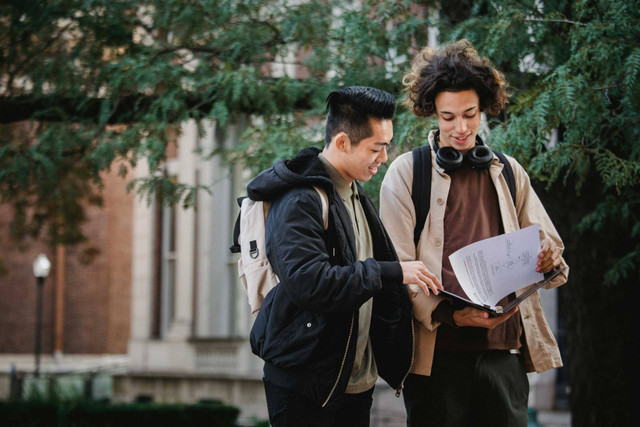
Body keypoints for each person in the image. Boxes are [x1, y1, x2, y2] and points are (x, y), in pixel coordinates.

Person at [380, 40, 570, 426]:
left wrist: (548, 255)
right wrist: (452, 315)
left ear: (484, 107)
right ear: (432, 112)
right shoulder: (405, 173)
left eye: (470, 114)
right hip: (436, 357)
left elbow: (551, 251)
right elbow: (395, 270)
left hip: (504, 352)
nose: (461, 128)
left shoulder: (510, 171)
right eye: (448, 117)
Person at [247, 86, 442, 427]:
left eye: (387, 146)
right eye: (376, 148)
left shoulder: (354, 194)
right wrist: (392, 272)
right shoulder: (300, 200)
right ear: (341, 143)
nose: (384, 157)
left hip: (354, 384)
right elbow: (310, 282)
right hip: (306, 384)